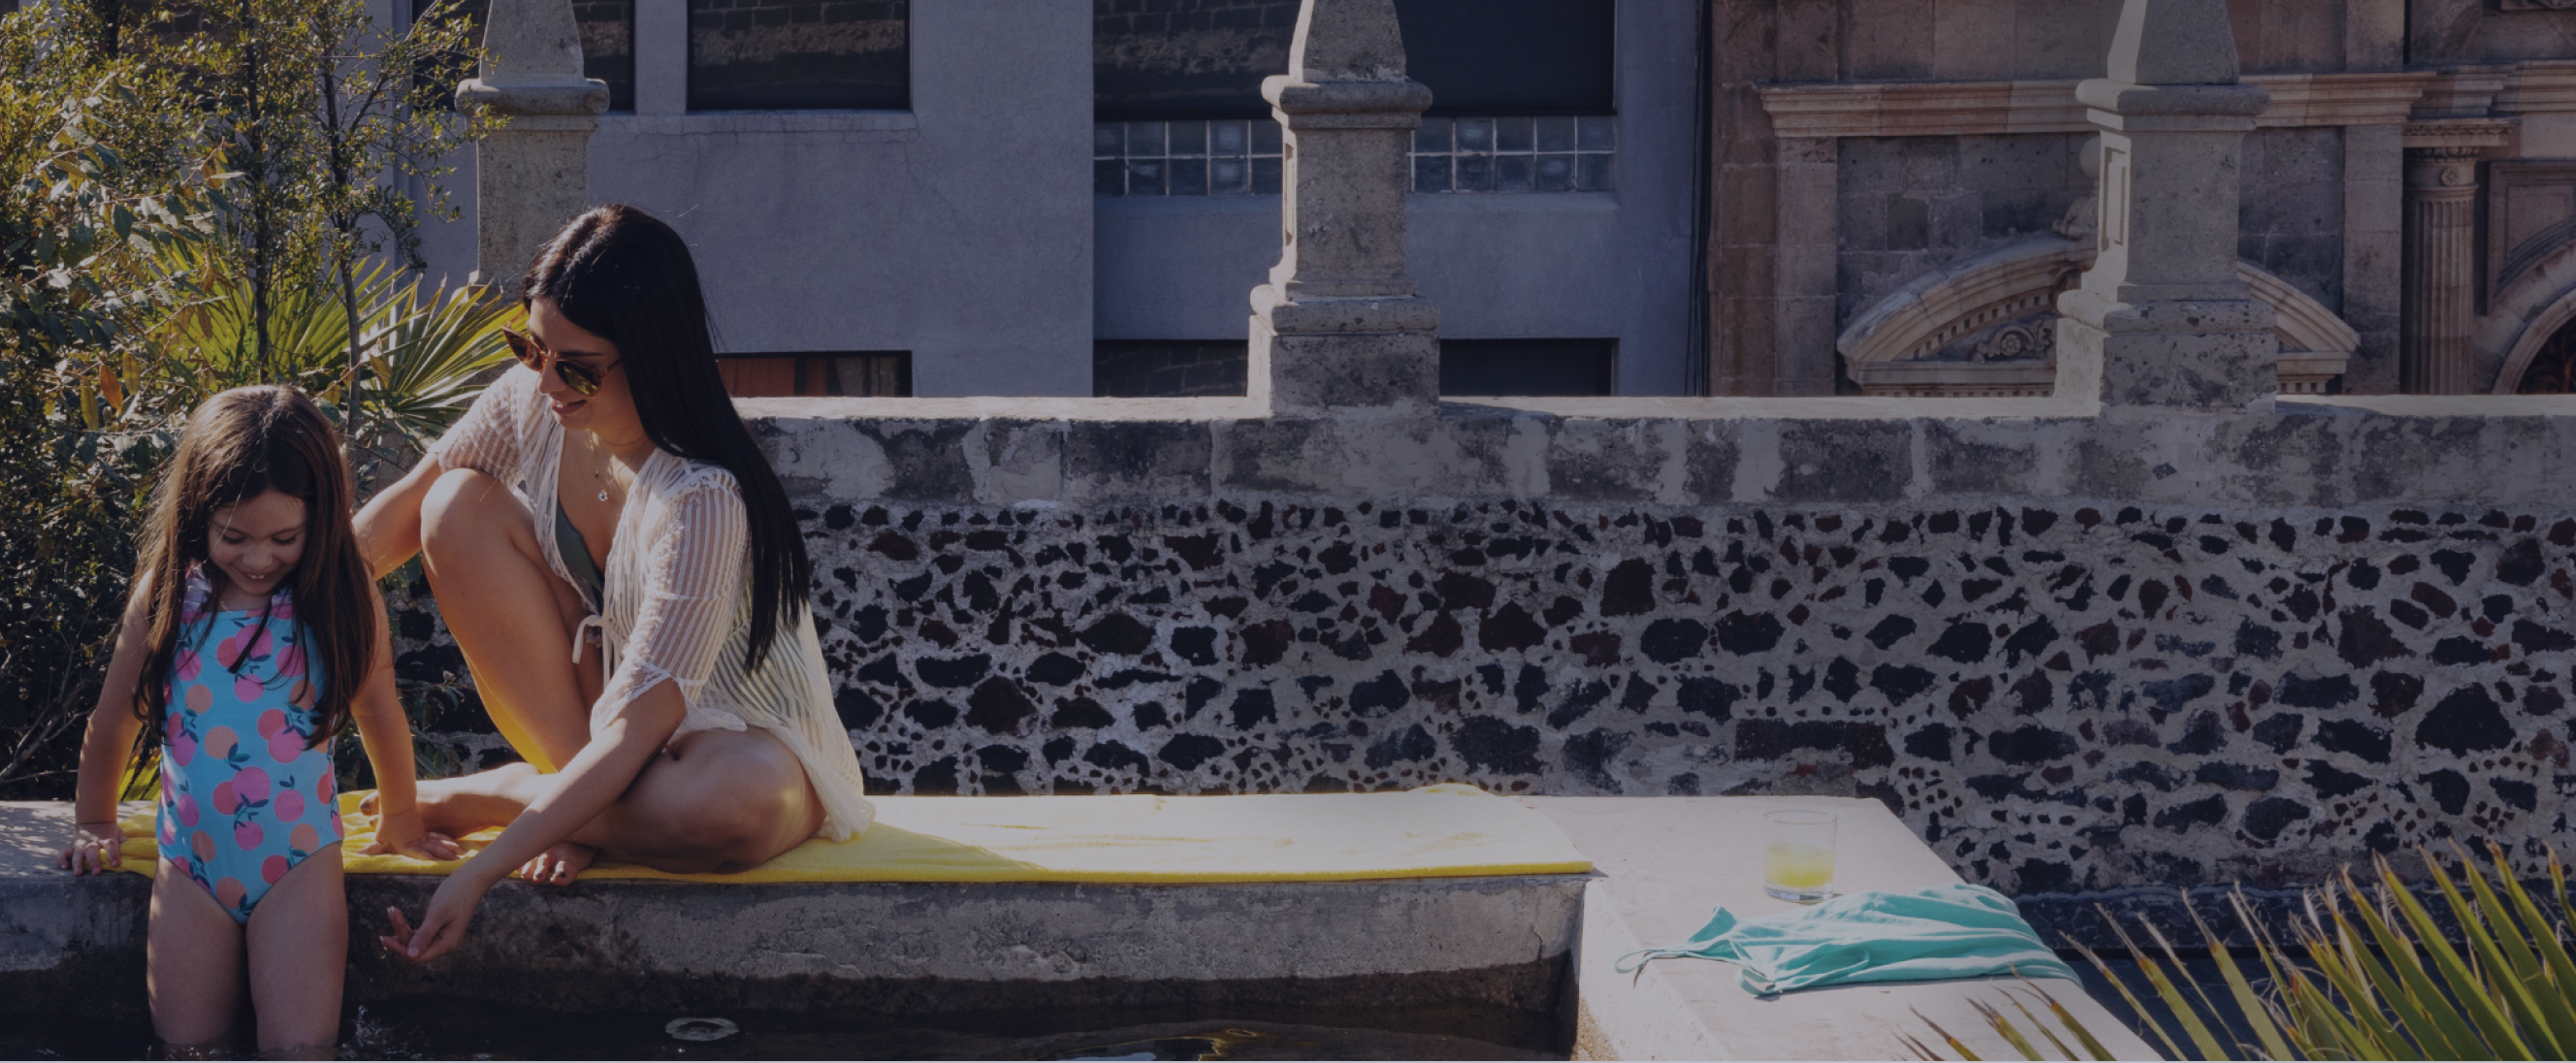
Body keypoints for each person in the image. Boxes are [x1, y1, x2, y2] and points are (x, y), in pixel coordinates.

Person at [366, 205, 874, 964]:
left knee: (724, 810)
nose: (546, 381)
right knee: (454, 504)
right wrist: (245, 610)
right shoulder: (535, 400)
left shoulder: (702, 497)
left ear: (653, 354)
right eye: (530, 348)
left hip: (732, 737)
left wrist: (480, 870)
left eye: (574, 366)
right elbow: (393, 520)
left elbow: (640, 728)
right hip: (596, 717)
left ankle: (508, 797)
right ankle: (572, 806)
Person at [56, 385, 460, 1059]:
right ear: (197, 513)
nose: (257, 558)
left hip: (299, 865)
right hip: (191, 866)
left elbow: (379, 711)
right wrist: (95, 820)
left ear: (319, 518)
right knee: (188, 1048)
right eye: (233, 536)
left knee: (299, 1050)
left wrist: (401, 818)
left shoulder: (339, 593)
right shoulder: (169, 592)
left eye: (284, 538)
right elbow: (115, 716)